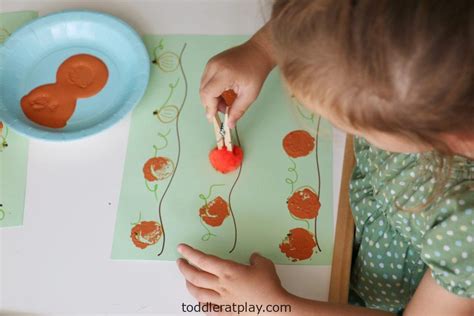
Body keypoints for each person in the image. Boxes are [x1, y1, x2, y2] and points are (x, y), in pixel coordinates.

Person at [177, 1, 474, 314]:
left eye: (353, 127)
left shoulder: (464, 231)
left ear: (448, 136)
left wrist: (274, 306)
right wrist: (262, 49)